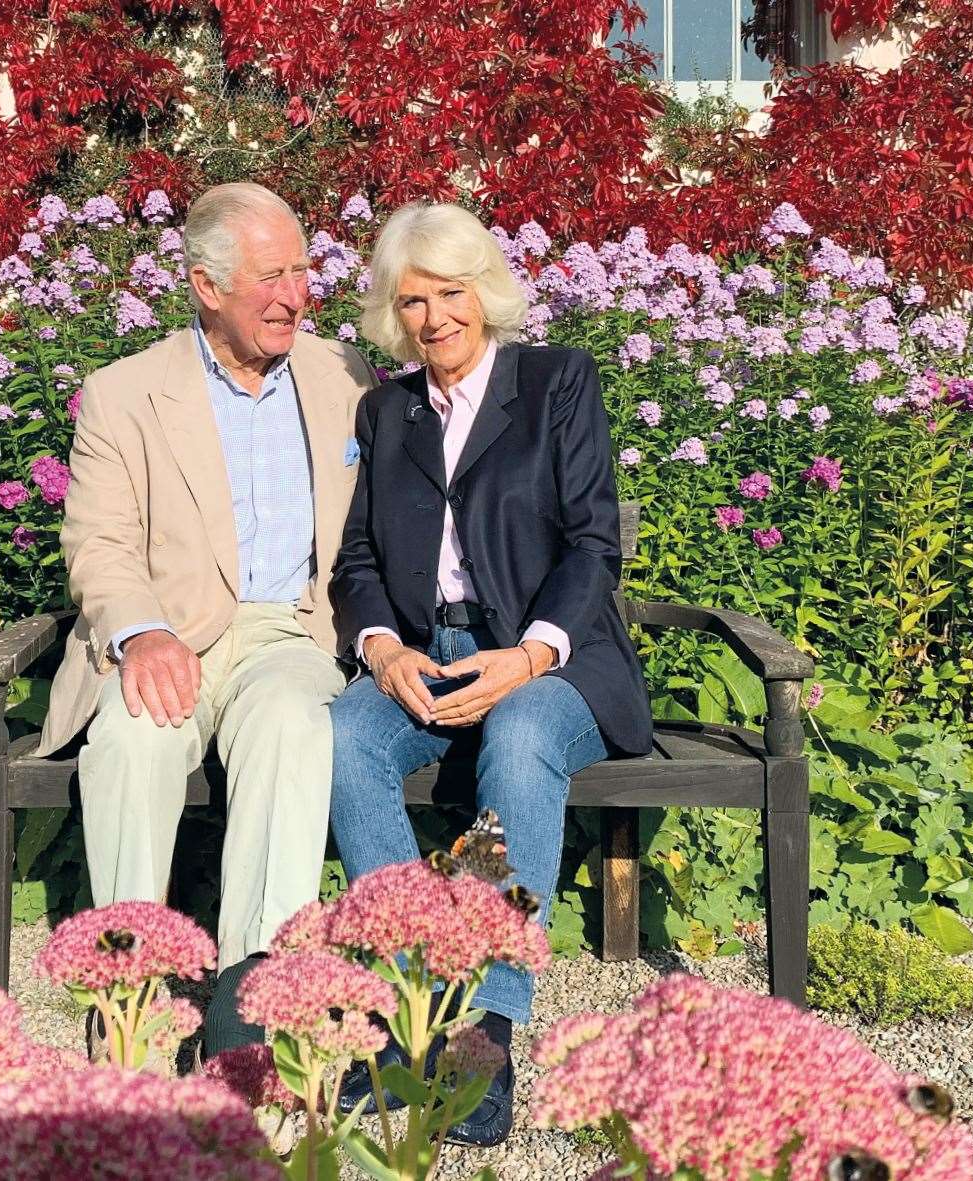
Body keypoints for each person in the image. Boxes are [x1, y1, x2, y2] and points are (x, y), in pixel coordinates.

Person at [326, 202, 653, 1144]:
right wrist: (381, 645)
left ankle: (488, 1029)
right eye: (415, 302)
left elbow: (593, 542)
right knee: (343, 735)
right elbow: (356, 561)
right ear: (396, 316)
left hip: (554, 659)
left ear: (485, 292)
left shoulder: (555, 382)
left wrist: (528, 653)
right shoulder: (386, 410)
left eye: (452, 293)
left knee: (521, 731)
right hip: (426, 654)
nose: (436, 319)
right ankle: (405, 1009)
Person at [32, 182, 376, 1057]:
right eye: (269, 276)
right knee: (131, 741)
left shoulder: (345, 376)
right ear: (205, 286)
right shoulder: (126, 393)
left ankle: (252, 990)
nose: (292, 294)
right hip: (169, 632)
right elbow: (99, 541)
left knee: (297, 724)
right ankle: (130, 991)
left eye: (301, 270)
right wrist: (140, 630)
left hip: (290, 632)